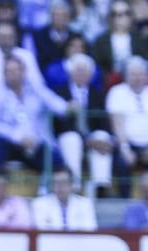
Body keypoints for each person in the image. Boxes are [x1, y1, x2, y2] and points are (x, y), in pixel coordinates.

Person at [0, 56, 68, 171]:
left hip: (35, 142)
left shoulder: (36, 89)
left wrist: (69, 106)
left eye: (16, 70)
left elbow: (59, 107)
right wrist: (17, 136)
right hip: (9, 141)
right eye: (9, 71)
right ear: (4, 75)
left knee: (55, 158)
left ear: (23, 71)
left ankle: (47, 188)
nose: (13, 74)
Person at [105, 56, 148, 195]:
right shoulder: (116, 92)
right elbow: (117, 124)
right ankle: (124, 200)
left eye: (141, 74)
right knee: (121, 163)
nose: (137, 78)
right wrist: (125, 149)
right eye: (133, 74)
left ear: (147, 76)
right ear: (126, 76)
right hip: (127, 144)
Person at [52, 53, 112, 195]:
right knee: (72, 139)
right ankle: (75, 186)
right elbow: (59, 124)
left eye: (85, 71)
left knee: (102, 136)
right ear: (70, 72)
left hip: (92, 137)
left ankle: (101, 187)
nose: (81, 74)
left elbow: (103, 122)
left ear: (91, 74)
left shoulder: (98, 94)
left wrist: (99, 139)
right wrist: (86, 139)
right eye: (78, 70)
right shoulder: (60, 92)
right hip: (68, 136)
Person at [92, 1, 148, 81]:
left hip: (136, 77)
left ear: (131, 16)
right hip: (111, 79)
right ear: (111, 17)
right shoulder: (101, 41)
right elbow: (97, 65)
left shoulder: (139, 38)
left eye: (126, 13)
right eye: (117, 14)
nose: (121, 18)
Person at [31, 165, 97, 229]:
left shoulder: (85, 204)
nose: (60, 186)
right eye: (56, 182)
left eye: (64, 182)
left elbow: (90, 230)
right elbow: (41, 231)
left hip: (79, 240)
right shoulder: (39, 204)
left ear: (71, 184)